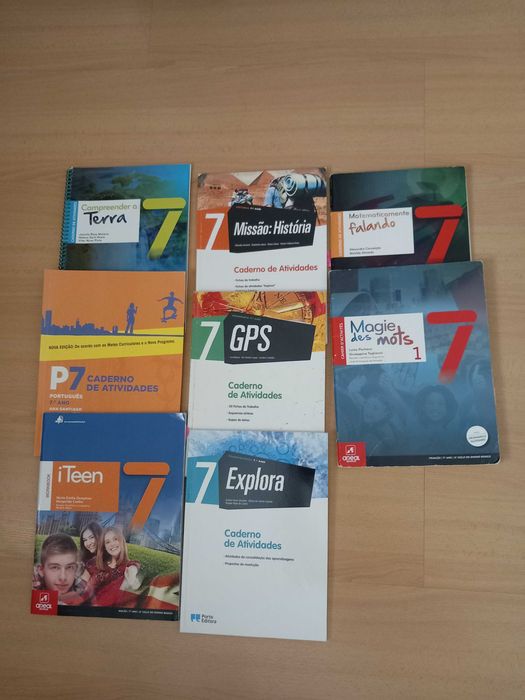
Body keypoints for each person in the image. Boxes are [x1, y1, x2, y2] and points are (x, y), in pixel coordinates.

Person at [90, 526, 141, 607]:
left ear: (121, 541)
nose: (112, 544)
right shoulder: (98, 564)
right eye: (107, 542)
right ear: (104, 547)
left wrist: (132, 572)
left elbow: (134, 566)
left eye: (115, 539)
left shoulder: (128, 566)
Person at [33, 533, 86, 604]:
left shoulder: (85, 591)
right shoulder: (31, 588)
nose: (63, 577)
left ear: (76, 569)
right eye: (55, 567)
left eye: (69, 567)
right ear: (41, 570)